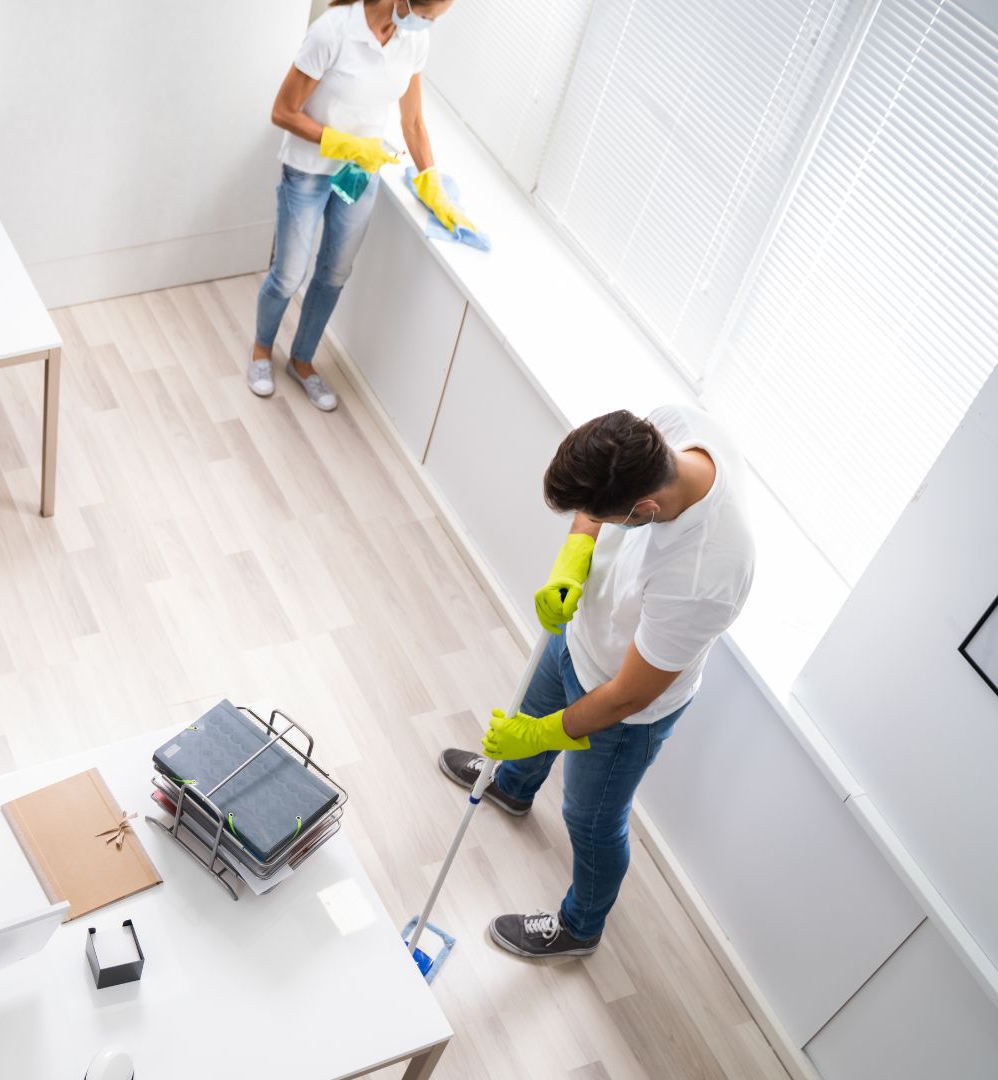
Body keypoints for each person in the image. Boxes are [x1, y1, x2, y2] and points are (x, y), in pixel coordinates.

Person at [438, 407, 756, 958]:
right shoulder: (668, 429)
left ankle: (580, 926)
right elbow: (596, 503)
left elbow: (629, 695)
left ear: (646, 510)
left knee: (590, 821)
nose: (591, 519)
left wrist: (540, 734)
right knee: (532, 724)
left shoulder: (707, 571)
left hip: (624, 709)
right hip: (579, 633)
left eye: (603, 518)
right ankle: (512, 787)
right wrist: (574, 556)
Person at [253, 0, 476, 413]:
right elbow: (283, 112)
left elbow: (413, 122)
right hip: (307, 171)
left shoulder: (412, 43)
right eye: (426, 16)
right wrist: (345, 143)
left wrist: (432, 184)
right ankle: (261, 352)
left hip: (359, 176)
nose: (427, 25)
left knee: (334, 273)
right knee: (287, 275)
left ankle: (301, 361)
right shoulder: (333, 31)